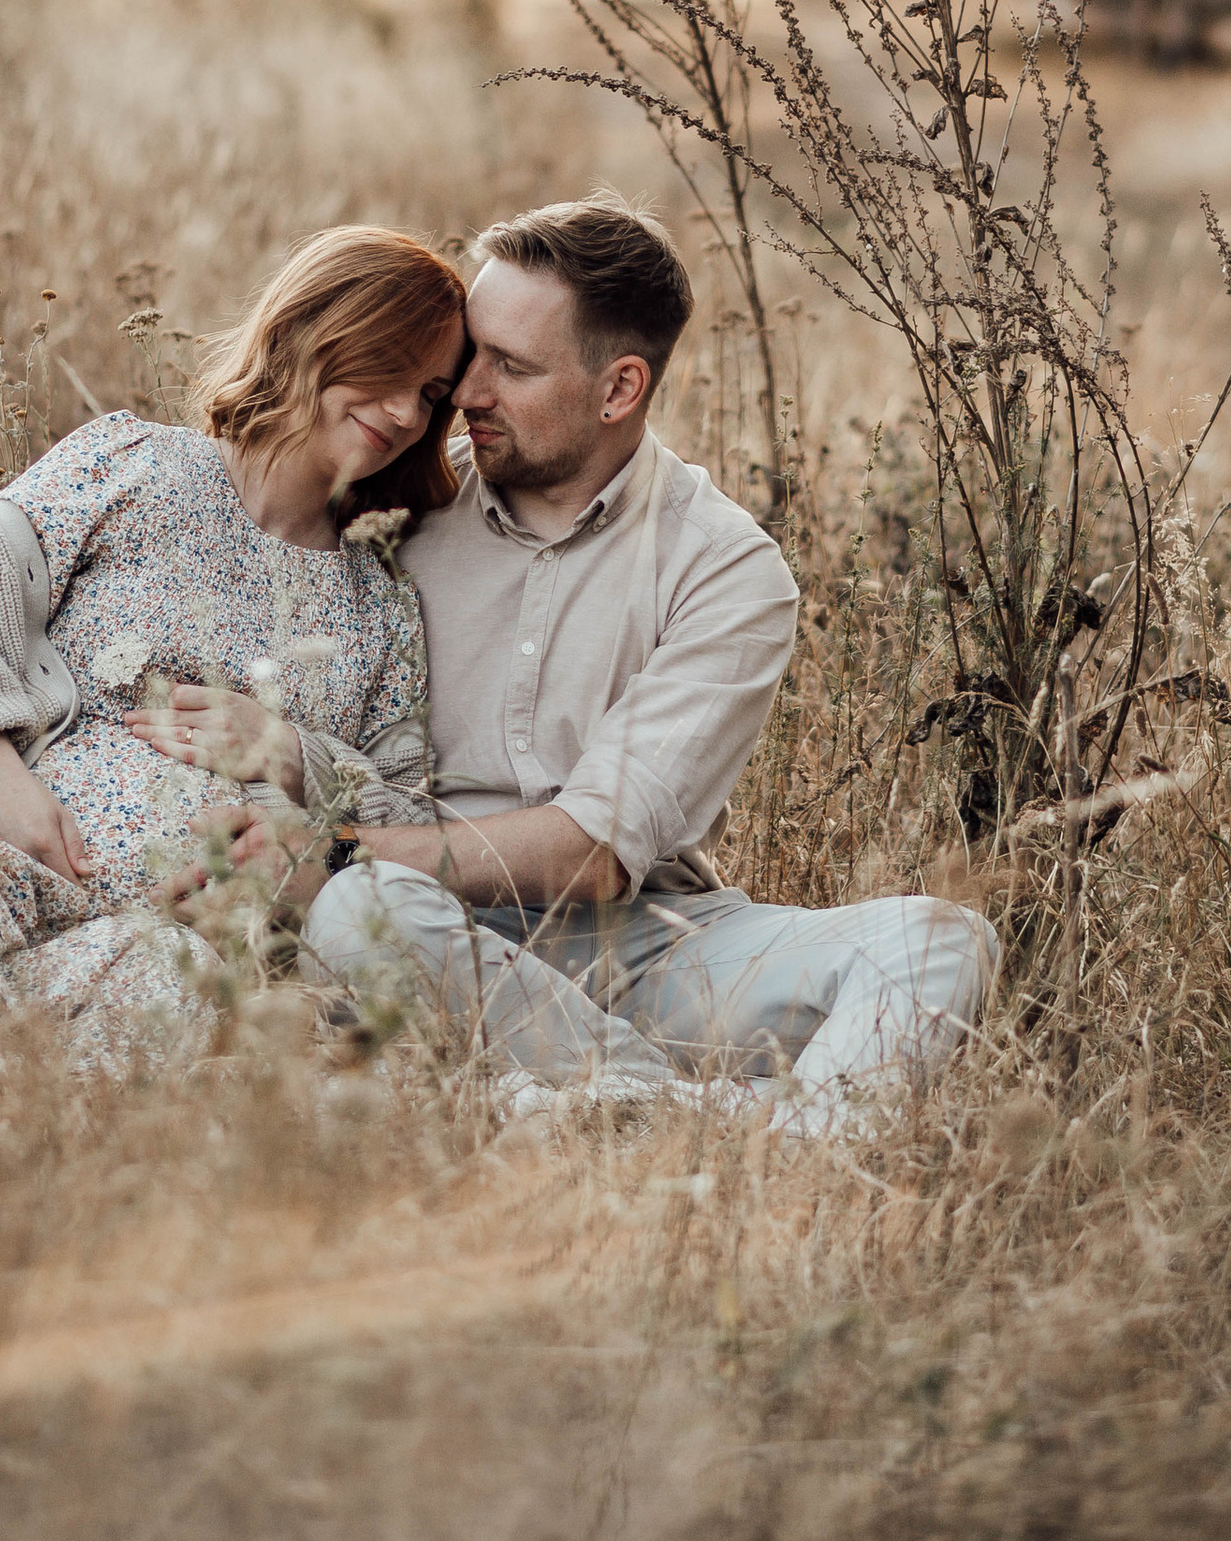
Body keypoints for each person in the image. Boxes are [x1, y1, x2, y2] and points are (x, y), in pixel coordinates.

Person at [132, 197, 994, 1131]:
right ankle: (704, 1122)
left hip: (652, 950)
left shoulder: (726, 567)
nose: (466, 394)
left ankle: (672, 1120)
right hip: (420, 931)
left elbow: (592, 855)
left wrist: (335, 851)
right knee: (357, 915)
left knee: (940, 940)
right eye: (473, 356)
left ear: (619, 389)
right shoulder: (396, 499)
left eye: (512, 366)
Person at [0, 226, 465, 1063]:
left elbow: (410, 824)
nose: (403, 412)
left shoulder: (379, 604)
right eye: (388, 367)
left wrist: (292, 757)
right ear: (310, 331)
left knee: (127, 1037)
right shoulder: (134, 467)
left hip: (166, 944)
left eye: (430, 393)